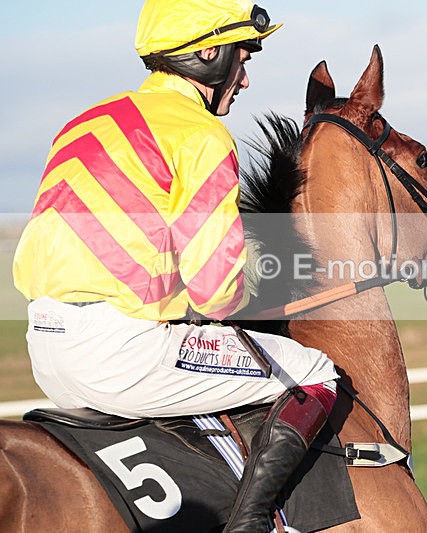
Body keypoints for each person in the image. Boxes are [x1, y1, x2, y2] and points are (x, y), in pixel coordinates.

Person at [12, 1, 338, 530]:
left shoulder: (84, 123)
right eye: (242, 55)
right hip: (119, 352)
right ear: (209, 53)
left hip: (46, 348)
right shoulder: (199, 134)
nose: (245, 78)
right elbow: (215, 294)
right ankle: (250, 522)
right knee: (314, 371)